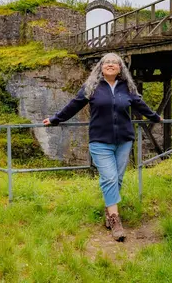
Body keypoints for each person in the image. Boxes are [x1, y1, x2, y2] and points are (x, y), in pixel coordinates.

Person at [43, 52, 161, 241]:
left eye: (115, 62)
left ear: (120, 67)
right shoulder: (92, 87)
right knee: (109, 178)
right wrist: (56, 119)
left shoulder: (127, 87)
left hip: (124, 140)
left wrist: (156, 117)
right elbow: (74, 104)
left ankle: (109, 212)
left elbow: (140, 104)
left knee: (118, 179)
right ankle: (115, 221)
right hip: (100, 141)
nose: (111, 64)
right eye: (107, 62)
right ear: (101, 66)